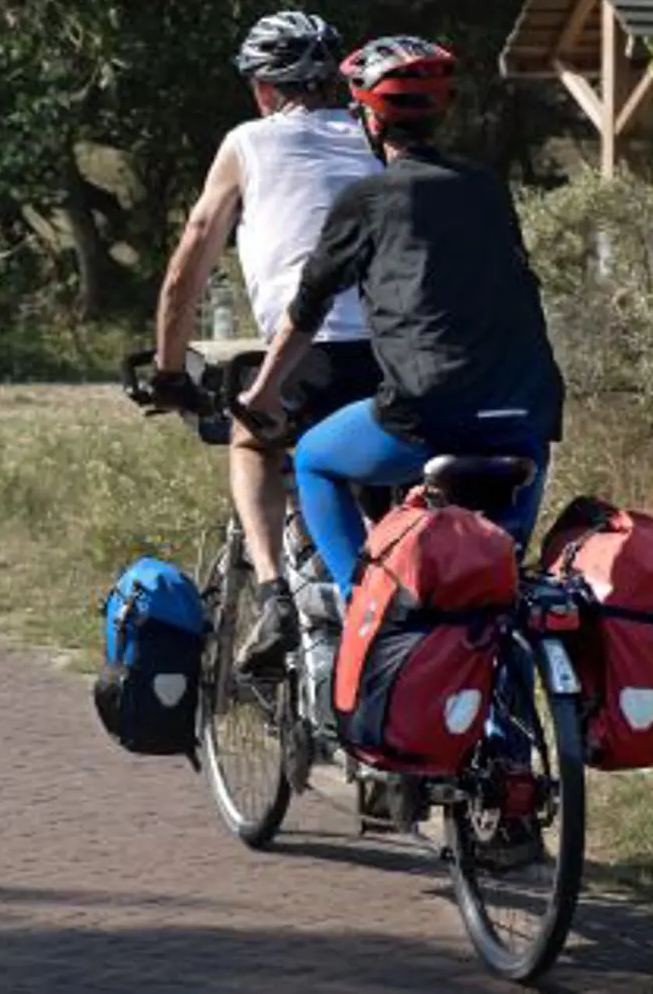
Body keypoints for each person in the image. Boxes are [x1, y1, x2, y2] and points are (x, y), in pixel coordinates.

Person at [236, 35, 565, 667]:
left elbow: (308, 309)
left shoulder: (367, 199)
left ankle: (365, 613)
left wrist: (263, 391)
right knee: (491, 596)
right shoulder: (485, 187)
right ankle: (505, 740)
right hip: (527, 419)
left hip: (427, 418)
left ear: (366, 116)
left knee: (314, 462)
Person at [151, 11, 383, 664]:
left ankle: (275, 590)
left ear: (262, 88)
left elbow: (190, 259)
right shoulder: (376, 137)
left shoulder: (248, 142)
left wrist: (170, 371)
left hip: (308, 353)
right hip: (397, 355)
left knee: (252, 438)